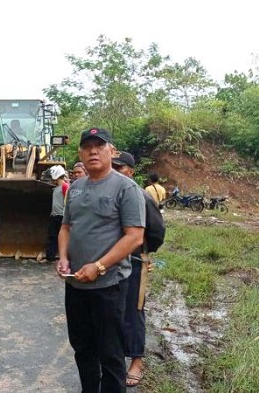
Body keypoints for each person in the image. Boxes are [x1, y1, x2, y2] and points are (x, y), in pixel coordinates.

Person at [56, 128, 146, 393]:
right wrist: (63, 258)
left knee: (110, 353)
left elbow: (134, 237)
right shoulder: (75, 188)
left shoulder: (126, 188)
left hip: (109, 287)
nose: (93, 151)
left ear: (112, 151)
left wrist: (100, 266)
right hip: (76, 286)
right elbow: (66, 228)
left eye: (99, 145)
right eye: (87, 147)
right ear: (80, 153)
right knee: (83, 349)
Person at [112, 152, 166, 387]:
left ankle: (136, 361)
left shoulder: (141, 196)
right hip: (111, 260)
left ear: (131, 172)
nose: (115, 170)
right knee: (112, 310)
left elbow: (157, 231)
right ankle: (114, 358)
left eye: (120, 167)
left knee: (134, 309)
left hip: (134, 260)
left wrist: (143, 253)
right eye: (113, 166)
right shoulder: (108, 192)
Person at [45, 165, 69, 262]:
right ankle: (50, 257)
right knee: (52, 236)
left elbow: (68, 202)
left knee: (61, 237)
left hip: (62, 217)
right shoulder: (56, 188)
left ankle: (65, 257)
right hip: (55, 216)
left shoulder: (65, 187)